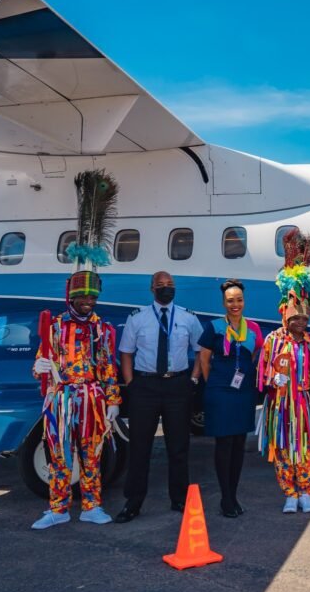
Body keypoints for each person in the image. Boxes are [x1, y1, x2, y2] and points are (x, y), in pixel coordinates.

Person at [31, 172, 123, 530]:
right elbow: (39, 364)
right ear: (71, 296)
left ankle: (91, 505)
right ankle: (56, 508)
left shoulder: (102, 329)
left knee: (91, 454)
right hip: (59, 398)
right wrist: (39, 366)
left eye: (92, 298)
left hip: (92, 398)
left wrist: (112, 399)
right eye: (82, 297)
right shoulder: (54, 327)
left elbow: (108, 367)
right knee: (58, 453)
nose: (87, 303)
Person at [116, 271, 203, 523]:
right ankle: (133, 503)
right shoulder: (138, 318)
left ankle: (179, 499)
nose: (166, 289)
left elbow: (200, 351)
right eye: (161, 285)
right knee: (140, 448)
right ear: (152, 289)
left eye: (170, 285)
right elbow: (126, 353)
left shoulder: (188, 317)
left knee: (178, 447)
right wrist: (131, 384)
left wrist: (194, 379)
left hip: (178, 385)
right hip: (145, 386)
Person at [258, 230, 310, 514]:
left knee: (308, 450)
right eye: (295, 317)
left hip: (307, 405)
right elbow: (263, 371)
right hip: (282, 405)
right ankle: (289, 493)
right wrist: (272, 379)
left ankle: (306, 492)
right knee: (285, 449)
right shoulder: (273, 340)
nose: (301, 322)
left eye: (304, 317)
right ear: (286, 316)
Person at [196, 279, 263, 517]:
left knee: (238, 445)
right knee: (224, 444)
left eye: (239, 300)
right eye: (230, 300)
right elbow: (204, 360)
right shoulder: (213, 327)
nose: (235, 304)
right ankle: (226, 498)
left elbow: (254, 355)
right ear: (224, 302)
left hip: (243, 391)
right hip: (219, 391)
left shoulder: (253, 328)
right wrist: (214, 383)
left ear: (244, 301)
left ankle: (233, 494)